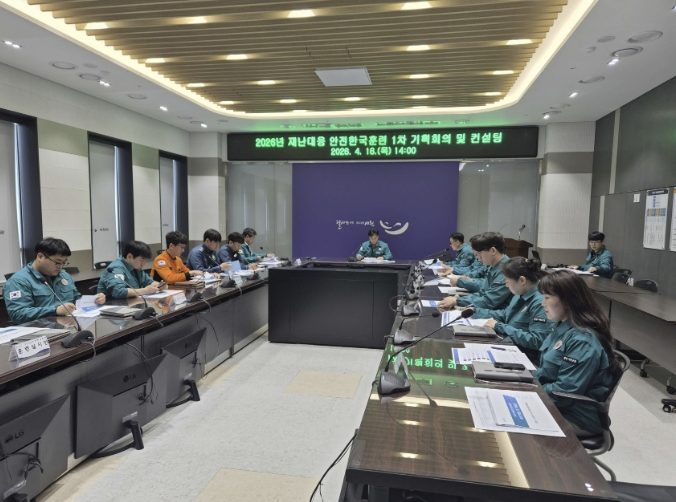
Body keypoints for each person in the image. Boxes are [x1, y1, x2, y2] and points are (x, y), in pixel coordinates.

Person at [536, 270, 618, 436]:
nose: (542, 303)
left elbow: (564, 393)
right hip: (558, 405)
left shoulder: (582, 341)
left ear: (567, 300)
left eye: (547, 297)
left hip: (575, 417)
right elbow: (547, 373)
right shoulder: (563, 327)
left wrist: (530, 392)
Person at [468, 257, 556, 358]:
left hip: (527, 357)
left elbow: (537, 341)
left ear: (522, 280)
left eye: (507, 281)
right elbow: (506, 314)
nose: (506, 285)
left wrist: (499, 326)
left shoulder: (541, 302)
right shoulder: (520, 293)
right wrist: (476, 311)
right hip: (510, 346)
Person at [4, 238, 105, 324]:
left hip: (68, 326)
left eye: (64, 263)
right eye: (57, 262)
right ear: (40, 257)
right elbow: (18, 314)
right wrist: (55, 310)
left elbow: (76, 299)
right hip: (38, 331)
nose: (60, 267)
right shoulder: (18, 281)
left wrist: (93, 300)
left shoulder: (64, 276)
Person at [437, 232, 512, 310]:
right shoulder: (492, 265)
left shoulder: (506, 270)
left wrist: (458, 301)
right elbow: (482, 293)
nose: (478, 257)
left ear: (493, 251)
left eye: (479, 253)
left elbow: (489, 301)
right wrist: (460, 299)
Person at [98, 241, 164, 299]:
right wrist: (145, 290)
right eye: (141, 260)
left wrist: (159, 286)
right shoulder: (116, 268)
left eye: (145, 260)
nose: (143, 264)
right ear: (129, 256)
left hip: (130, 303)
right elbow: (118, 292)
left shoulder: (135, 267)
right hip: (112, 305)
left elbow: (149, 281)